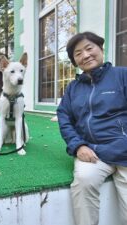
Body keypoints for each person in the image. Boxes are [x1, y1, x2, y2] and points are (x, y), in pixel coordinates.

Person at [57, 31, 127, 225]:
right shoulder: (72, 88)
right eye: (78, 53)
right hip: (92, 151)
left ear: (101, 49)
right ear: (75, 61)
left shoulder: (122, 75)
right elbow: (64, 117)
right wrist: (78, 146)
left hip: (124, 150)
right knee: (83, 181)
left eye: (89, 48)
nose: (85, 55)